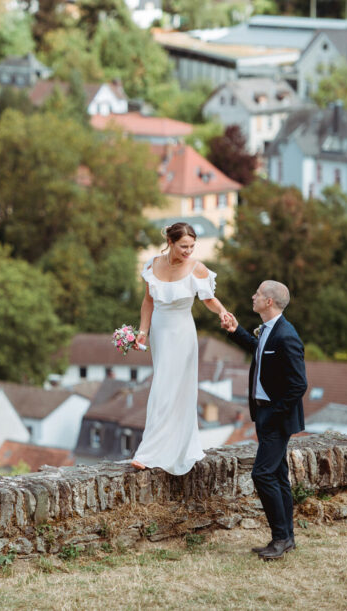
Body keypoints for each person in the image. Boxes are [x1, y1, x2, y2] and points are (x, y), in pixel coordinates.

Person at [130, 222, 235, 475]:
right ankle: (159, 448)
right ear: (170, 241)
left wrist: (222, 312)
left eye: (192, 246)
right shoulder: (152, 264)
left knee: (172, 387)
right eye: (183, 246)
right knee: (163, 384)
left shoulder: (196, 268)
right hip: (159, 332)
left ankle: (149, 452)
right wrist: (142, 332)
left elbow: (208, 299)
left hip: (182, 333)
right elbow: (148, 302)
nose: (189, 251)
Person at [222, 280, 307, 560]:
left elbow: (298, 385)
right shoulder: (270, 331)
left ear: (268, 302)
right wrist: (236, 332)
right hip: (264, 413)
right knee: (278, 474)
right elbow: (259, 350)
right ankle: (287, 538)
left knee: (262, 474)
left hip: (276, 417)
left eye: (257, 293)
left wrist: (274, 413)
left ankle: (280, 538)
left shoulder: (287, 336)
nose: (252, 296)